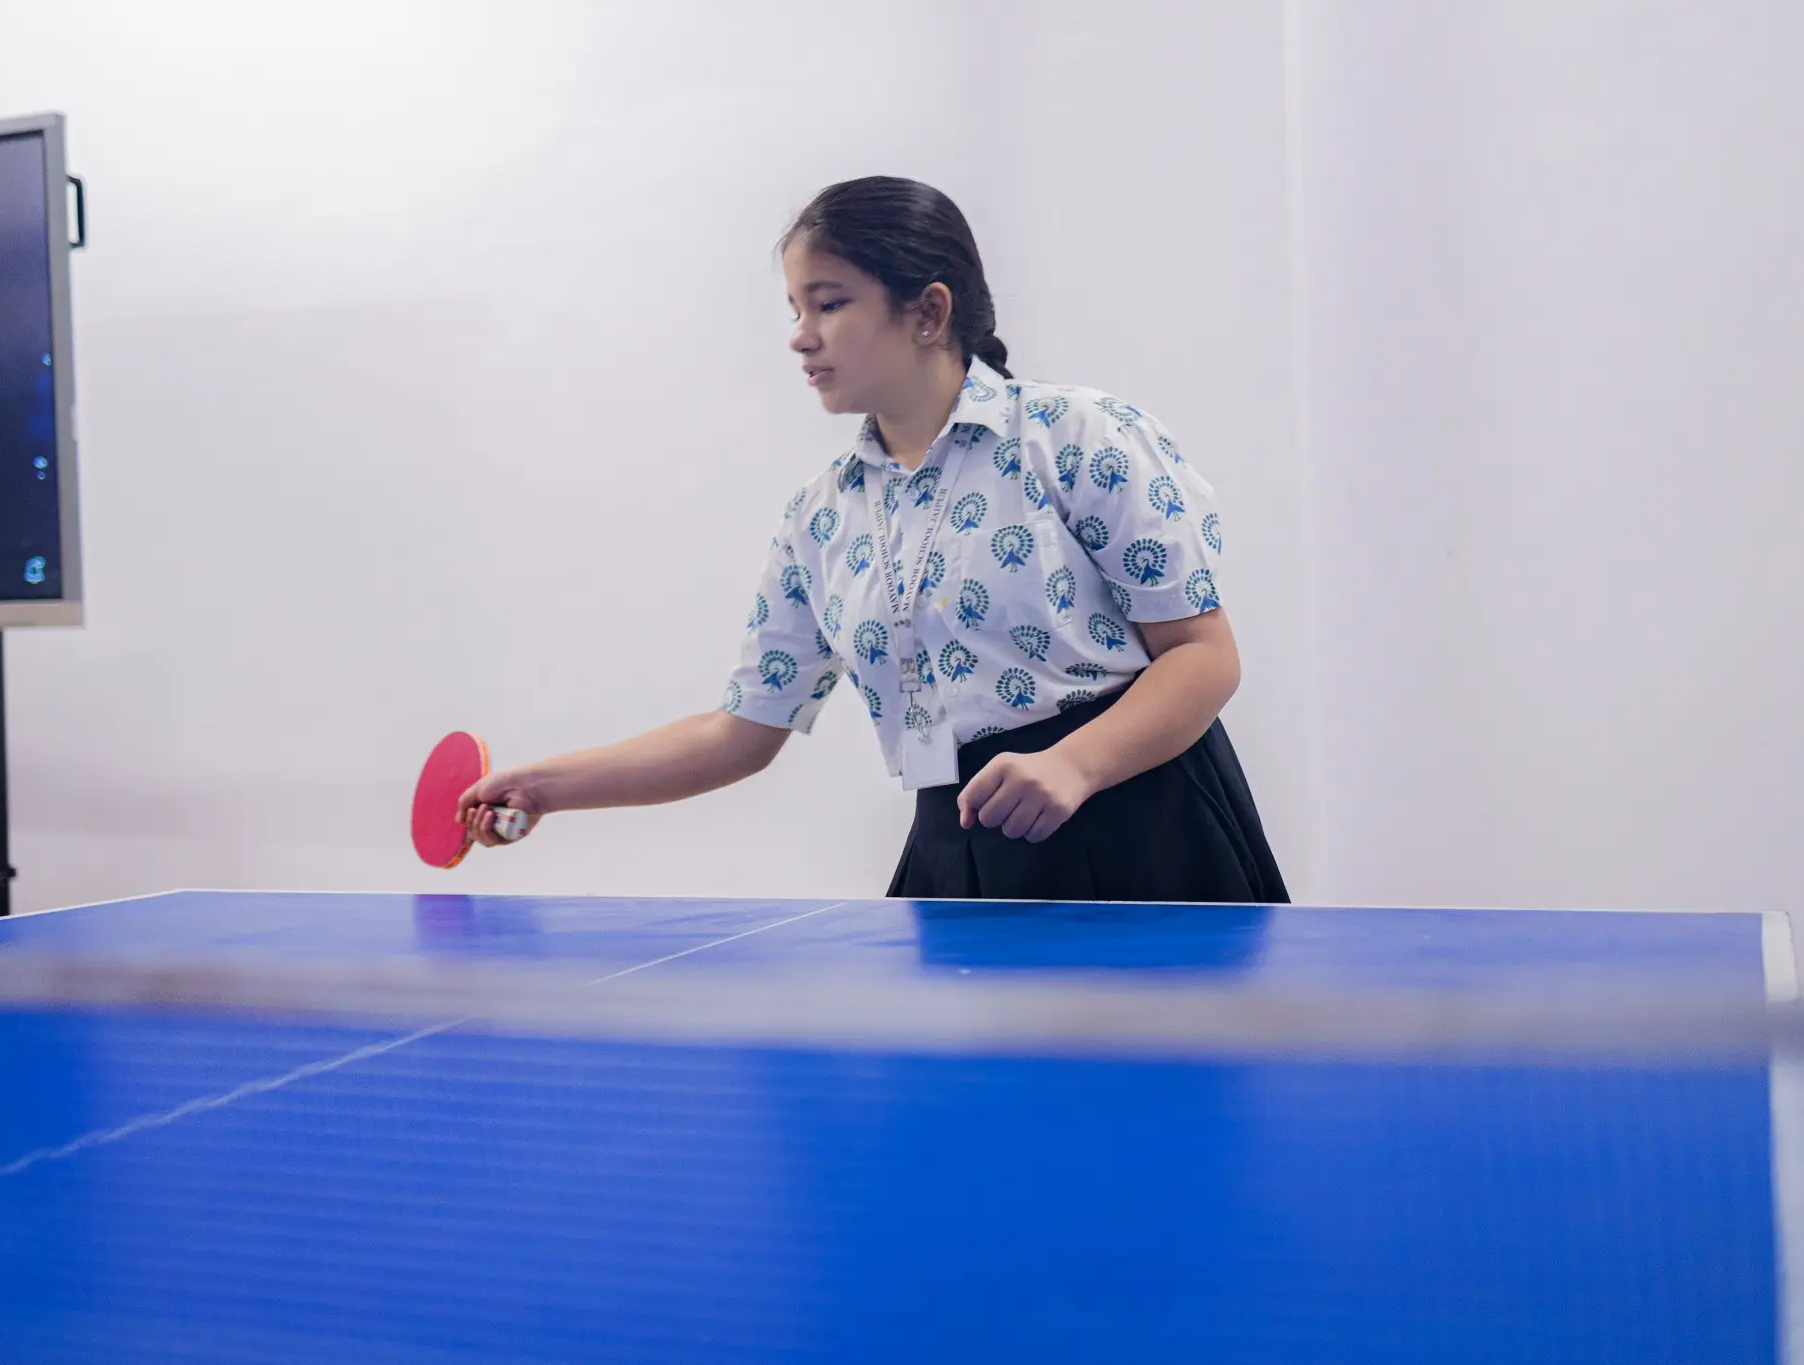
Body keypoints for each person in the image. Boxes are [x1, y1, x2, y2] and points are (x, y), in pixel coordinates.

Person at [461, 175, 1285, 904]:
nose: (800, 333)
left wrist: (1076, 764)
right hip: (957, 842)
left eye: (829, 301)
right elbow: (740, 732)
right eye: (794, 308)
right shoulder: (820, 517)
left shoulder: (1078, 436)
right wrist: (544, 785)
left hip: (1141, 823)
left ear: (928, 310)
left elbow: (1203, 655)